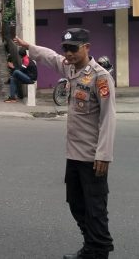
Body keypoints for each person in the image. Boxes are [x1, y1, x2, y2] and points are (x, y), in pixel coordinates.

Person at [14, 28, 116, 259]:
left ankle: (99, 250)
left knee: (95, 208)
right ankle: (90, 245)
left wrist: (104, 155)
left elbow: (109, 117)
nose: (68, 53)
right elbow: (50, 56)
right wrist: (28, 46)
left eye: (73, 48)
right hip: (74, 153)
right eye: (66, 48)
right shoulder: (70, 68)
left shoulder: (100, 77)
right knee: (75, 203)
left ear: (87, 47)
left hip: (92, 157)